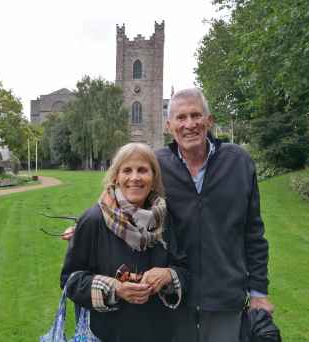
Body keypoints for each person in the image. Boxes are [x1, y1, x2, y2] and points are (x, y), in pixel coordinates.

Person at [156, 87, 274, 342]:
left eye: (196, 115)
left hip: (225, 296)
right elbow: (125, 203)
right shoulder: (156, 166)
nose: (189, 124)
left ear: (209, 121)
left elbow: (253, 233)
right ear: (169, 126)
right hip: (174, 295)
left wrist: (258, 292)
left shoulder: (239, 162)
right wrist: (90, 227)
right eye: (181, 117)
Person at [60, 143, 188, 342]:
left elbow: (184, 268)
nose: (135, 178)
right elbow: (70, 280)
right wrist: (115, 288)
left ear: (153, 177)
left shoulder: (166, 219)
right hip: (107, 333)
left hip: (158, 332)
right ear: (115, 177)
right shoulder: (94, 219)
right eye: (127, 170)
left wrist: (168, 275)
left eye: (142, 170)